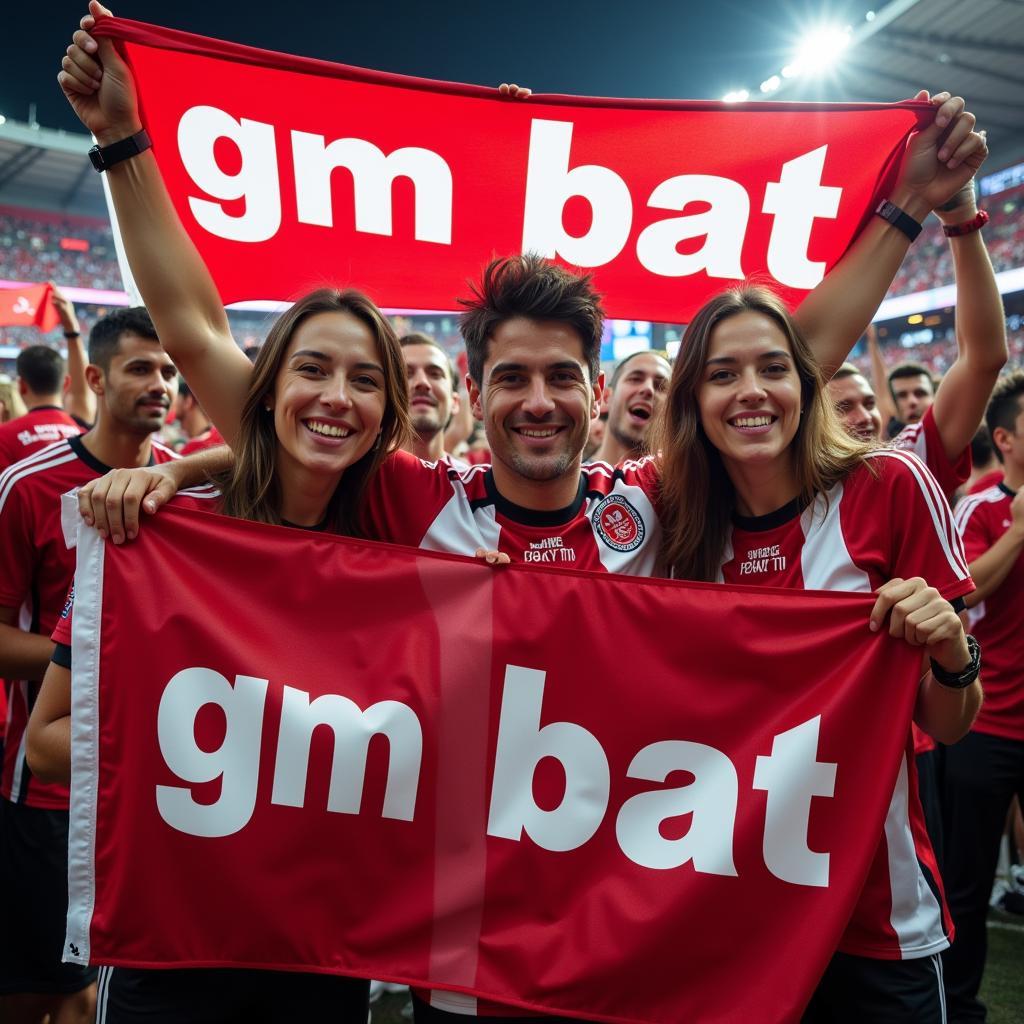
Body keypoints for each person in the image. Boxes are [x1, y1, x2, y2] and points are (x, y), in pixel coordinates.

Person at [62, 5, 988, 1019]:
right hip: (462, 963)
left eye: (560, 377)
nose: (536, 400)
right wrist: (120, 143)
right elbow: (208, 346)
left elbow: (784, 361)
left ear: (598, 396)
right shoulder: (417, 503)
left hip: (621, 944)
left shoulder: (650, 505)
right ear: (471, 388)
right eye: (511, 378)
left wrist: (903, 213)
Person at [651, 285, 981, 1023]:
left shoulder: (890, 485)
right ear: (693, 399)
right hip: (723, 908)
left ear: (805, 382)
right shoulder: (669, 523)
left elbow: (949, 721)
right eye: (722, 373)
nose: (751, 392)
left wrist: (953, 652)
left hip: (876, 919)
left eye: (773, 367)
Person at [0, 306, 182, 1024]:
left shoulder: (186, 486)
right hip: (44, 793)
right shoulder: (30, 486)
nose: (161, 384)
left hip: (147, 789)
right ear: (96, 380)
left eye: (169, 370)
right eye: (142, 368)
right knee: (29, 992)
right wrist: (89, 659)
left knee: (94, 991)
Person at [944, 370, 1024, 1023]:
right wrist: (1021, 531)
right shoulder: (979, 507)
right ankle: (961, 1008)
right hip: (988, 722)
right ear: (1004, 437)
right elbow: (962, 592)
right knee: (966, 884)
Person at [591, 350, 671, 466]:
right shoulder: (568, 480)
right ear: (607, 397)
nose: (648, 389)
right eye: (635, 379)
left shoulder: (684, 483)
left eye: (661, 386)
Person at [400, 331, 464, 465]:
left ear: (455, 402)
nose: (422, 382)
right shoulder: (355, 481)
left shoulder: (474, 484)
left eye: (435, 374)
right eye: (407, 374)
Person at [174, 376, 224, 455]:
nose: (172, 403)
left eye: (176, 397)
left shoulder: (190, 451)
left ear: (188, 401)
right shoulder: (223, 438)